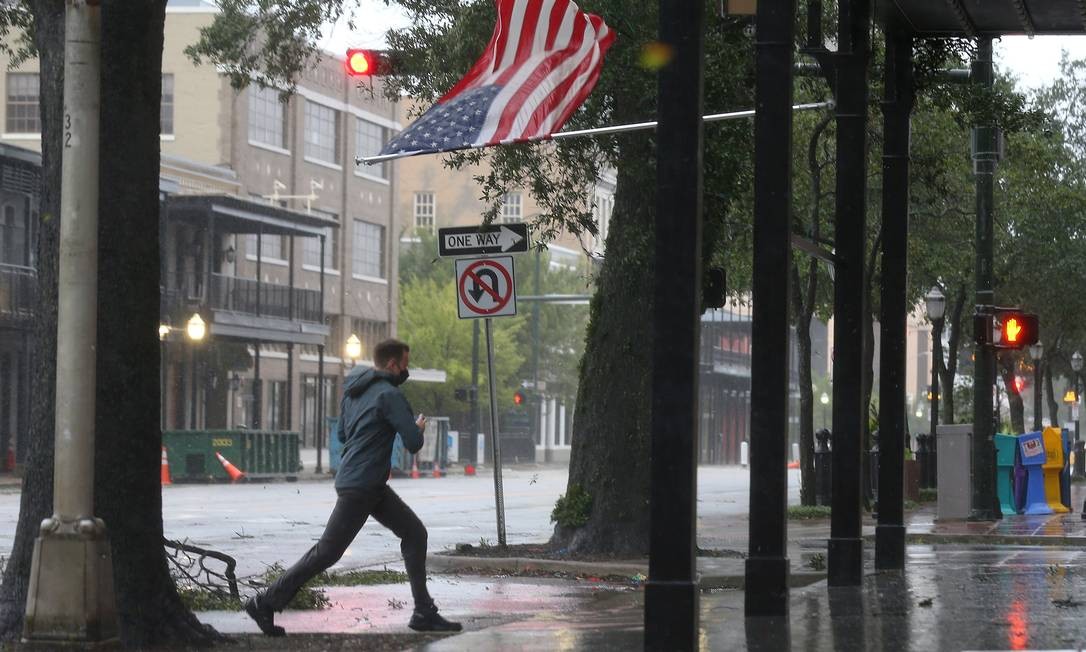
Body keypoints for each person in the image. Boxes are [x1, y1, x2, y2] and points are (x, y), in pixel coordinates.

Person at [245, 338, 461, 636]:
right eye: (405, 365)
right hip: (363, 485)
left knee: (414, 533)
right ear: (392, 364)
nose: (406, 370)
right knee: (327, 551)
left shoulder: (353, 393)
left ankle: (424, 612)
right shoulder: (390, 395)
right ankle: (265, 602)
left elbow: (344, 434)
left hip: (363, 482)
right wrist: (417, 427)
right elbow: (412, 443)